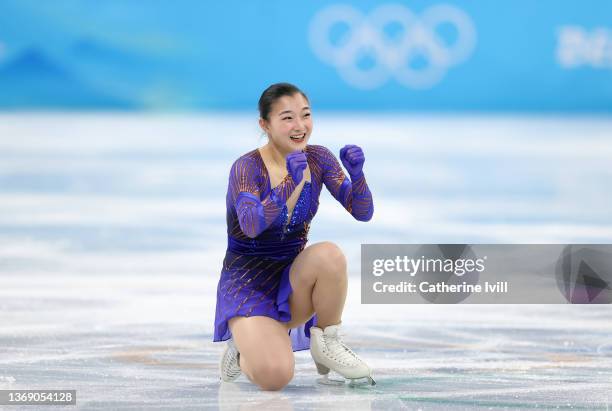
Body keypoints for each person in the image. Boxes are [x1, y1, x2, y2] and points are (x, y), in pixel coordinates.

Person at [213, 82, 375, 390]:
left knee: (330, 255)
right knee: (275, 377)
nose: (299, 126)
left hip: (292, 280)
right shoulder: (246, 168)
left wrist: (358, 174)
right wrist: (290, 182)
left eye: (305, 115)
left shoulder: (319, 158)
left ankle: (326, 342)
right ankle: (243, 344)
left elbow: (362, 211)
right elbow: (250, 225)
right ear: (266, 125)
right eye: (287, 118)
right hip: (247, 285)